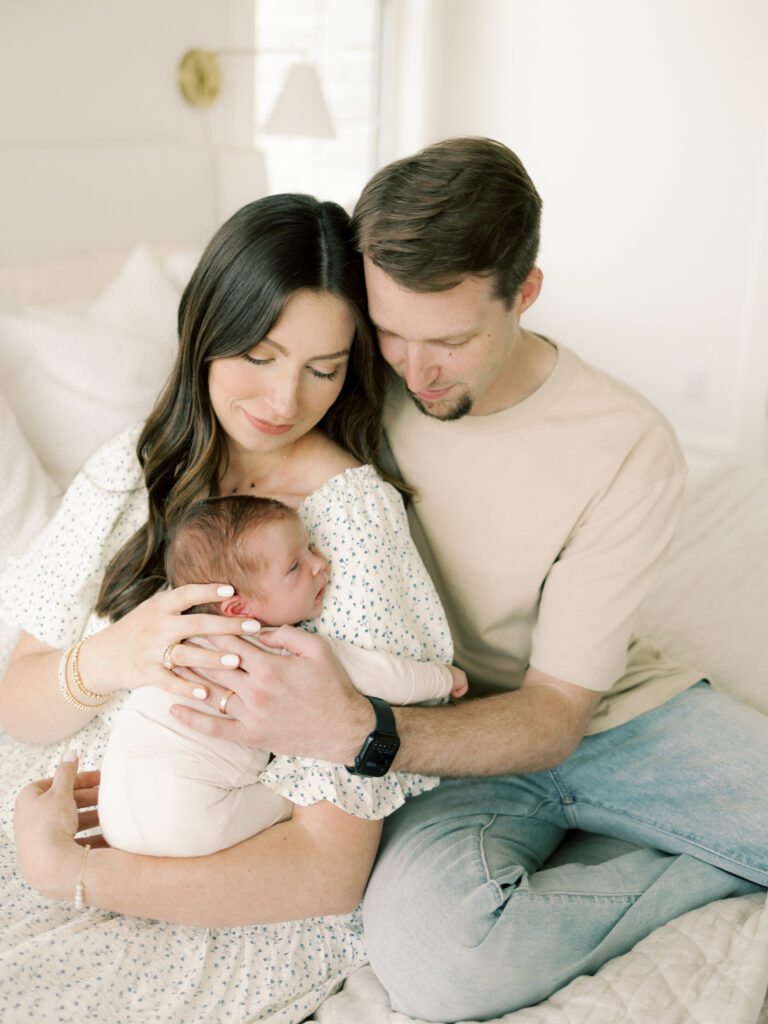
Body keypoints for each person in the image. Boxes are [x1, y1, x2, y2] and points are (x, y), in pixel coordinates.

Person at [139, 138, 767, 1022]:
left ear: (527, 293)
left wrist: (364, 732)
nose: (413, 368)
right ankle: (700, 865)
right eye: (389, 330)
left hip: (601, 713)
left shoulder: (627, 441)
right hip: (445, 752)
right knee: (443, 967)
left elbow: (556, 714)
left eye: (453, 339)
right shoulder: (344, 384)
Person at [0, 193, 457, 1023]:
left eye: (323, 368)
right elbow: (19, 703)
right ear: (207, 327)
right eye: (259, 352)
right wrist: (117, 656)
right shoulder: (129, 470)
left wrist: (72, 874)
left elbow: (327, 869)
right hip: (52, 817)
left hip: (207, 883)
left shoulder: (349, 524)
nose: (285, 399)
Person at [98, 494, 466, 858]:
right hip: (194, 820)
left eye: (310, 546)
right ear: (238, 608)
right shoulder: (281, 647)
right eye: (295, 566)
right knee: (299, 790)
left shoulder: (173, 644)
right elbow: (385, 677)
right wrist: (444, 678)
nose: (320, 564)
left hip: (111, 812)